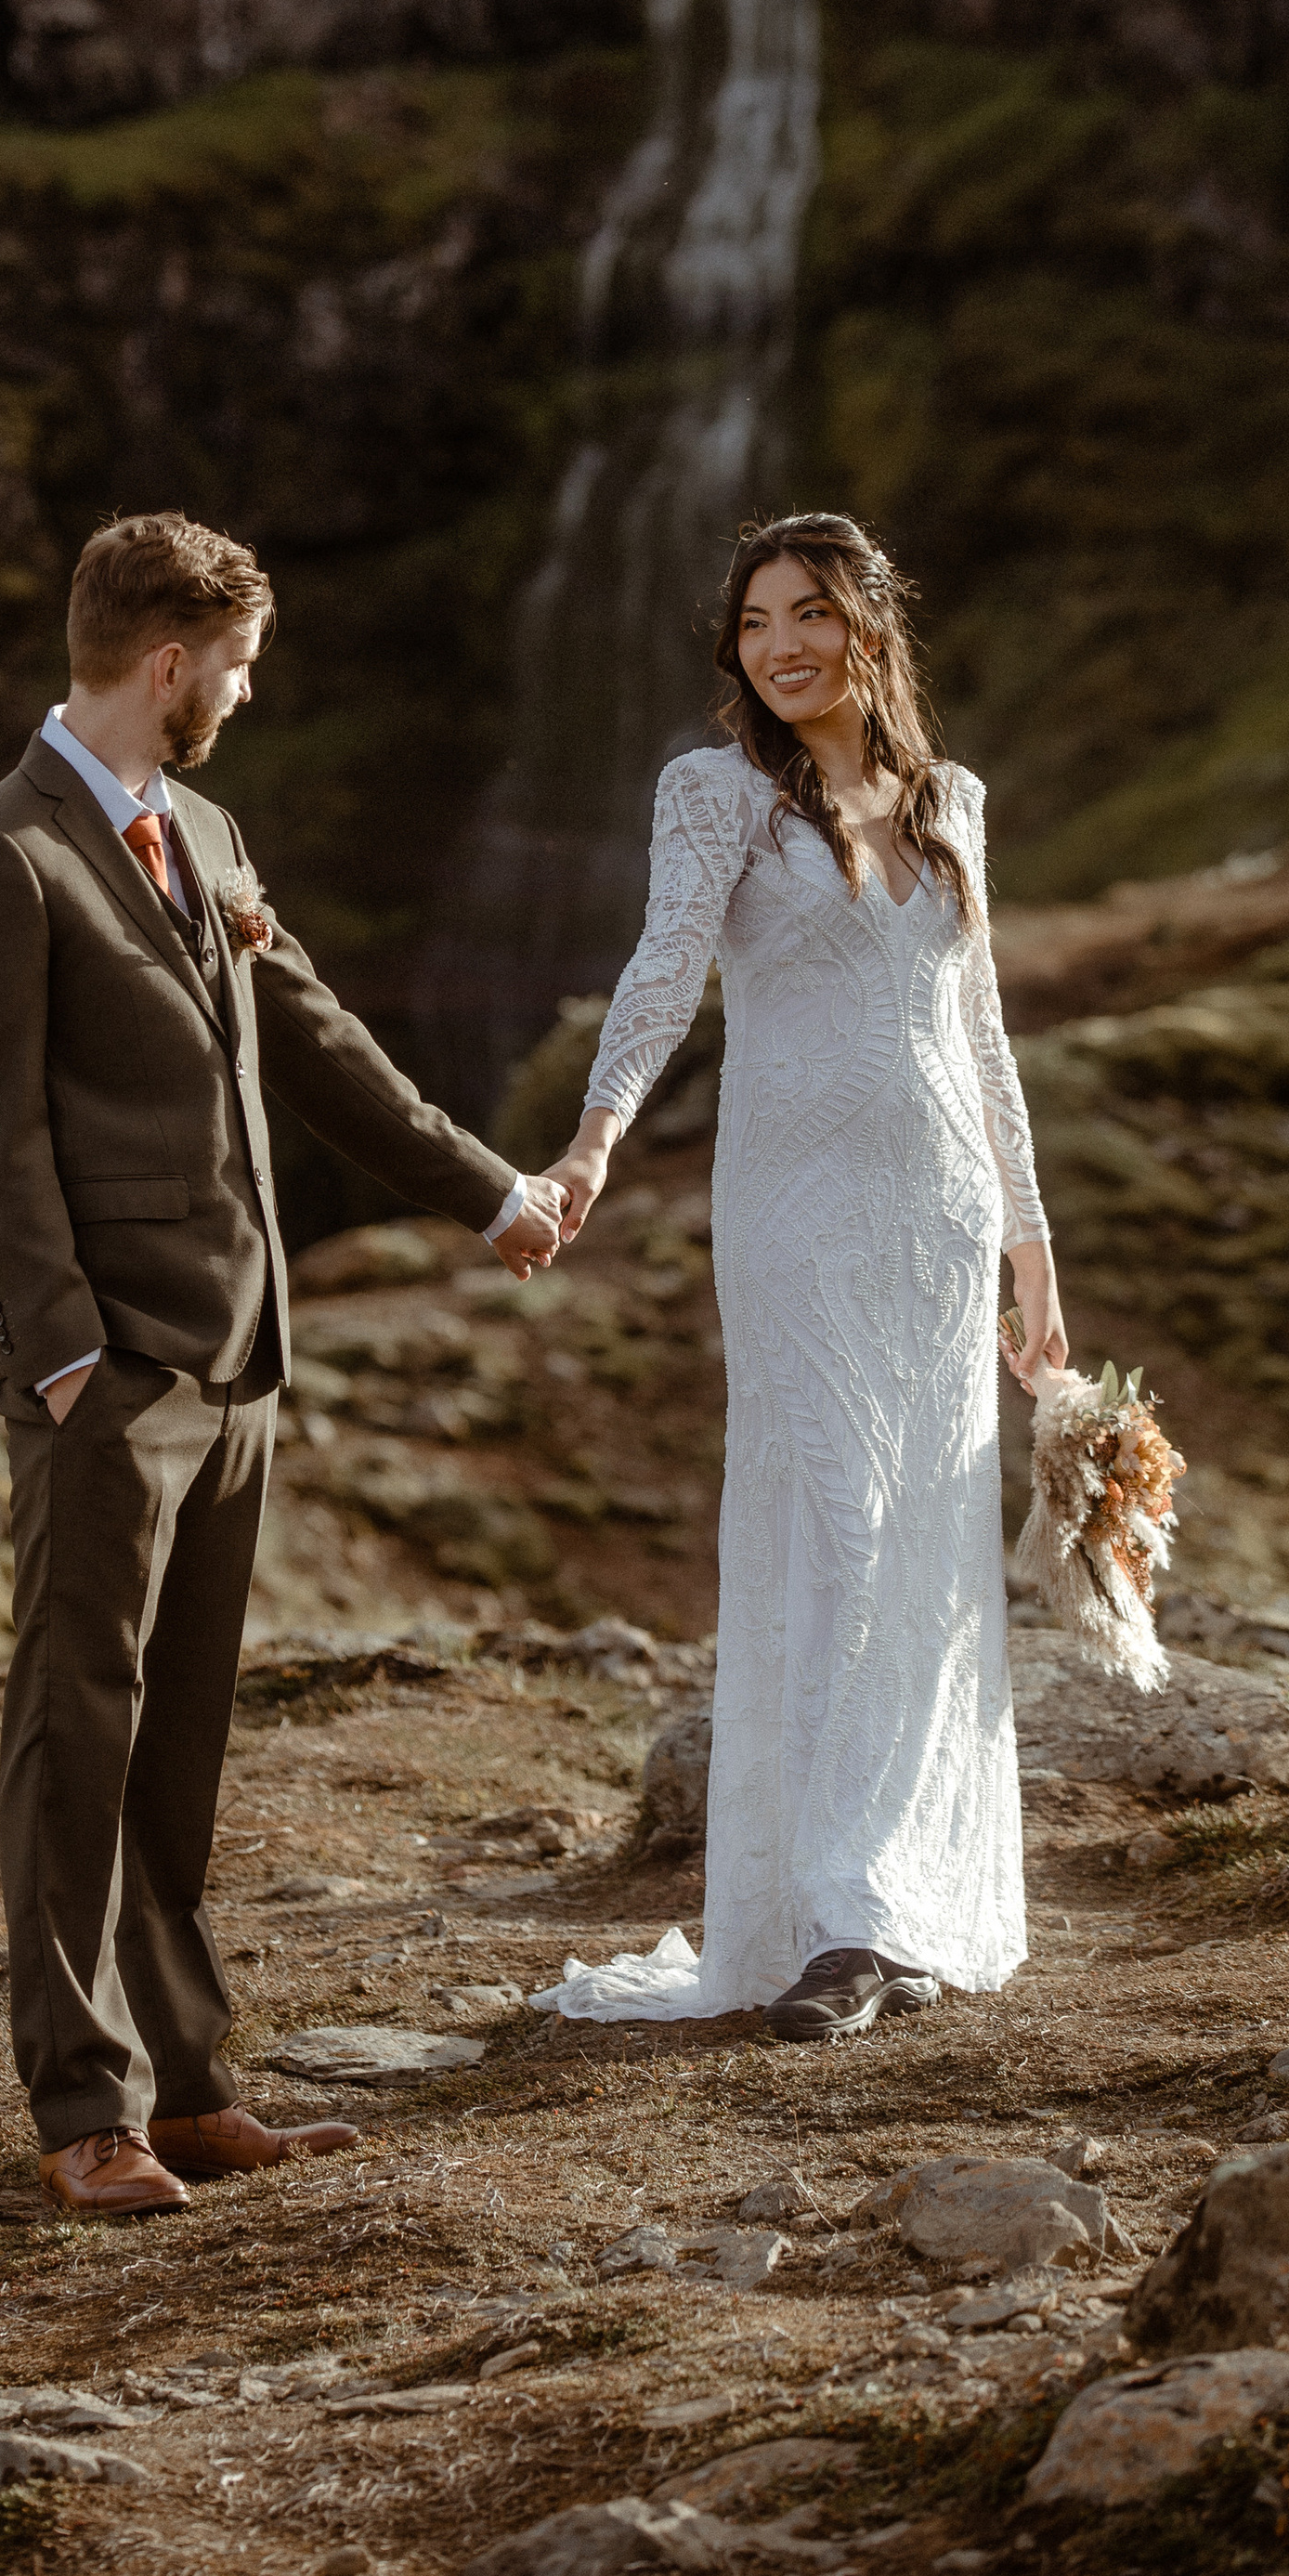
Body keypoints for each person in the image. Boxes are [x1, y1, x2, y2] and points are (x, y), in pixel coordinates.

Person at [0, 511, 566, 2216]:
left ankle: (193, 2086)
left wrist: (489, 1192)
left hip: (241, 1364)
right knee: (76, 1738)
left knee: (180, 1742)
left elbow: (320, 1043)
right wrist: (64, 1361)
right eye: (241, 665)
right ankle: (83, 2114)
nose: (251, 693)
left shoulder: (201, 826)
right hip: (109, 1378)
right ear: (169, 662)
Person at [534, 514, 1064, 2040]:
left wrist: (1032, 1244)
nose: (782, 645)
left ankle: (892, 1905)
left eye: (812, 615)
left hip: (945, 1224)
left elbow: (986, 1044)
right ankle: (831, 1915)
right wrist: (591, 1144)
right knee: (832, 1518)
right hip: (795, 1209)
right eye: (758, 622)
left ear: (871, 631)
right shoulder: (716, 798)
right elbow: (662, 969)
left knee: (923, 1546)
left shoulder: (951, 800)